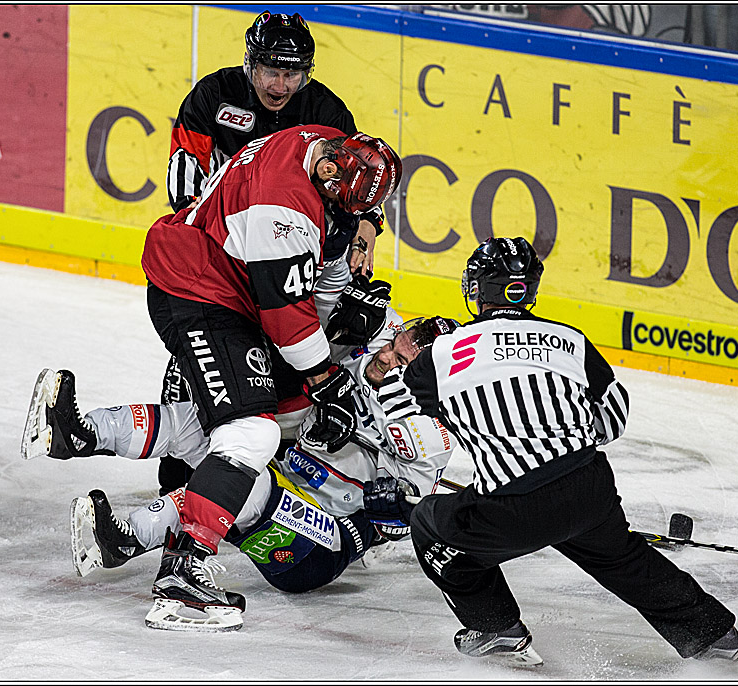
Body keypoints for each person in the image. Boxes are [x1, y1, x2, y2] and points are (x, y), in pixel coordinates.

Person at [364, 237, 738, 670]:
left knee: (428, 523)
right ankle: (714, 637)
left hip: (512, 507)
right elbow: (613, 419)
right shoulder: (570, 340)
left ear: (477, 290)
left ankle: (496, 628)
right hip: (588, 485)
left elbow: (417, 432)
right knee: (622, 558)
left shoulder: (438, 356)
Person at [23, 308, 458, 631]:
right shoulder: (365, 346)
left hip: (323, 543)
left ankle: (131, 540)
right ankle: (80, 436)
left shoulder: (426, 429)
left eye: (401, 361)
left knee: (238, 487)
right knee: (206, 429)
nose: (388, 356)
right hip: (285, 479)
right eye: (396, 343)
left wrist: (391, 508)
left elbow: (415, 516)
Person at [126, 124, 401, 630]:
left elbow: (321, 278)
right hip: (198, 290)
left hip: (213, 282)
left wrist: (334, 302)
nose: (347, 214)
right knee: (251, 432)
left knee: (252, 425)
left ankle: (98, 450)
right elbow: (287, 323)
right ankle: (182, 580)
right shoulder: (284, 209)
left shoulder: (318, 140)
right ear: (327, 168)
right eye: (344, 201)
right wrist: (328, 379)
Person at [159, 11, 389, 494]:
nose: (281, 85)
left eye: (292, 74)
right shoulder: (213, 96)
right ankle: (180, 482)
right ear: (251, 65)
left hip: (289, 253)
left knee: (288, 355)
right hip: (222, 257)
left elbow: (358, 184)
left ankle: (267, 481)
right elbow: (185, 190)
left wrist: (364, 232)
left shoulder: (327, 112)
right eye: (271, 71)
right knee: (203, 363)